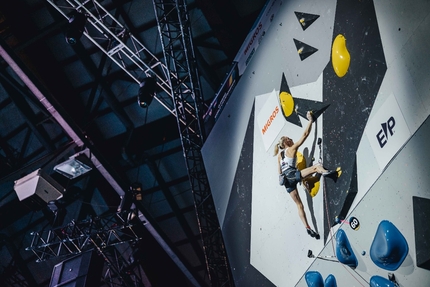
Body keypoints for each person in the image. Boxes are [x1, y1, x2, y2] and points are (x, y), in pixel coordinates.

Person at [274, 111, 339, 239]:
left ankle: (307, 227)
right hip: (292, 175)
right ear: (286, 141)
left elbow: (279, 173)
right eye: (290, 138)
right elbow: (305, 134)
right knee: (315, 167)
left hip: (287, 183)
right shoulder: (291, 149)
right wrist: (310, 120)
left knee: (300, 205)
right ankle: (327, 173)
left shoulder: (279, 156)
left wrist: (285, 178)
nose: (292, 139)